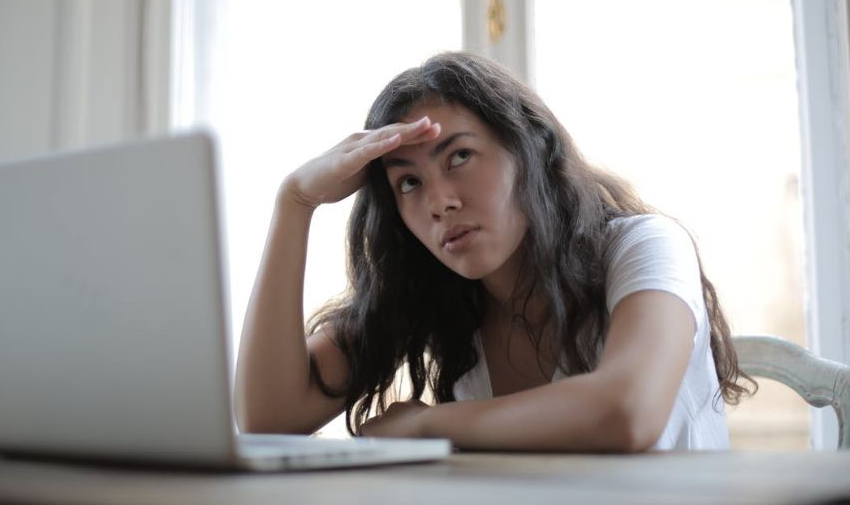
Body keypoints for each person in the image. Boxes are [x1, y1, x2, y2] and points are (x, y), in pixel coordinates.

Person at [235, 51, 755, 452]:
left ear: (529, 150)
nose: (441, 201)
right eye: (409, 182)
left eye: (459, 155)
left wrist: (426, 424)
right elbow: (269, 417)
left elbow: (628, 411)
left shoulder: (644, 246)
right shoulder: (435, 291)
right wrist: (295, 202)